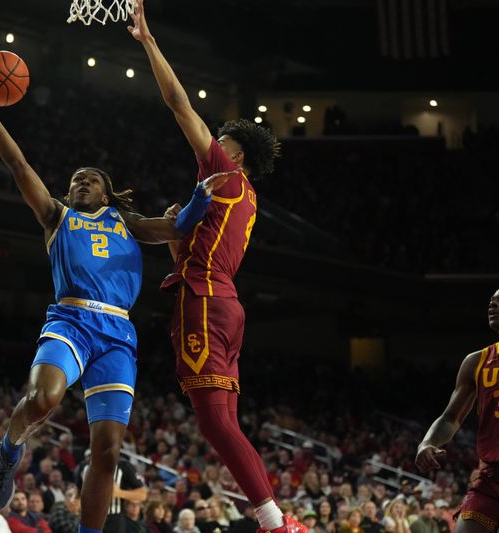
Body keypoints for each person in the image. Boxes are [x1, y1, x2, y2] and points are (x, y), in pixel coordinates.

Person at [0, 63, 232, 533]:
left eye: (89, 179)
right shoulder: (56, 216)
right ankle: (9, 452)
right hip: (69, 322)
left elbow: (174, 228)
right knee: (44, 397)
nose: (79, 184)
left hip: (117, 333)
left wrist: (199, 198)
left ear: (108, 192)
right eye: (74, 180)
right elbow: (18, 165)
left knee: (108, 450)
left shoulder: (125, 222)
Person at [126, 4, 303, 533]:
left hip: (204, 298)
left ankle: (274, 522)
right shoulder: (243, 198)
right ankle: (276, 519)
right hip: (224, 302)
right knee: (220, 421)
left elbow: (179, 105)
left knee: (213, 421)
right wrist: (162, 231)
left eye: (222, 141)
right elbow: (183, 238)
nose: (212, 143)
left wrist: (149, 42)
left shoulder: (224, 173)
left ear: (237, 155)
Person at [415, 284, 499, 533]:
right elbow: (450, 418)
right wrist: (427, 443)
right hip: (490, 476)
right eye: (491, 301)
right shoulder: (476, 361)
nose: (492, 304)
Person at [76, 452, 147, 533]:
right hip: (88, 518)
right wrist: (75, 502)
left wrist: (119, 493)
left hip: (113, 520)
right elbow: (78, 493)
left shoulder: (123, 465)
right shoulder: (83, 466)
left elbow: (143, 494)